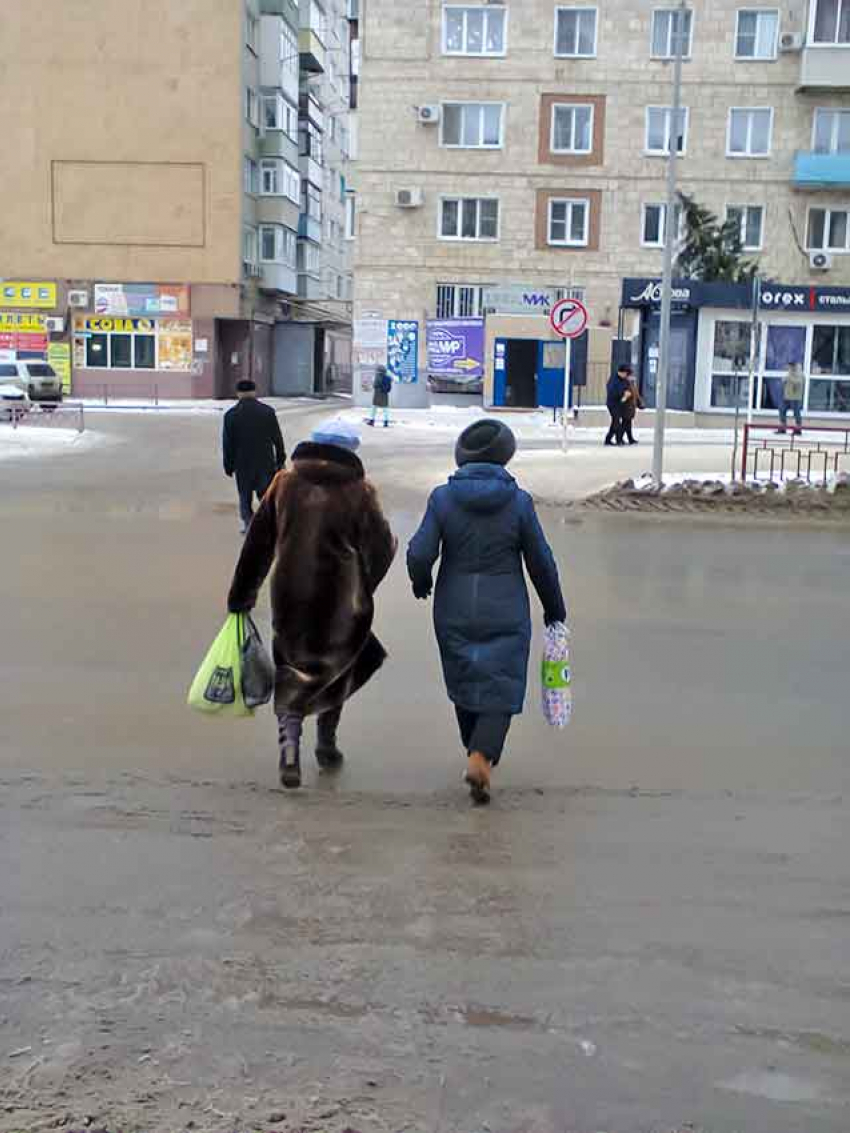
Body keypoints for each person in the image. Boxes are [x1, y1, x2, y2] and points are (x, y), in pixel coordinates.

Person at [227, 419, 396, 789]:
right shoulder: (360, 492)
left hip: (290, 591)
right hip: (342, 596)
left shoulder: (283, 484)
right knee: (337, 663)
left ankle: (289, 748)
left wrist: (241, 595)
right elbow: (382, 547)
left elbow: (257, 543)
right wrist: (365, 584)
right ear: (349, 452)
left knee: (292, 664)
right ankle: (326, 742)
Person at [407, 420, 566, 805]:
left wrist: (420, 581)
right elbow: (541, 561)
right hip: (506, 607)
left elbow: (419, 552)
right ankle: (482, 756)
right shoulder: (519, 502)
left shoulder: (442, 499)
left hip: (453, 607)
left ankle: (474, 752)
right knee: (500, 685)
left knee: (465, 679)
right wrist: (554, 607)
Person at [223, 379, 286, 534]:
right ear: (254, 392)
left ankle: (248, 523)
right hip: (265, 462)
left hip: (242, 464)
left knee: (244, 496)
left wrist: (228, 465)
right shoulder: (268, 412)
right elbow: (277, 438)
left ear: (238, 393)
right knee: (266, 495)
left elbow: (228, 443)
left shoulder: (231, 415)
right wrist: (280, 460)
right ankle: (269, 525)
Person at [605, 365, 632, 446]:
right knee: (616, 421)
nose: (626, 375)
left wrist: (627, 393)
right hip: (612, 404)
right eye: (625, 373)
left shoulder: (624, 380)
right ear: (621, 372)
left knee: (614, 422)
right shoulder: (613, 380)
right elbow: (612, 391)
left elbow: (627, 387)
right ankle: (619, 440)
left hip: (621, 404)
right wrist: (622, 394)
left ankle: (608, 439)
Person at [777, 363, 804, 436]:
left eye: (790, 366)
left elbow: (797, 382)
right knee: (782, 410)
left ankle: (798, 429)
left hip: (795, 397)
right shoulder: (789, 373)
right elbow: (785, 382)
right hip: (786, 396)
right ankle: (782, 428)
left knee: (796, 413)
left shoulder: (799, 373)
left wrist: (789, 378)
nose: (788, 367)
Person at [621, 366, 644, 446]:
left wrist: (640, 403)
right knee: (625, 424)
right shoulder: (625, 384)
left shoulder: (632, 384)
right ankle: (622, 438)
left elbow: (636, 394)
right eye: (630, 375)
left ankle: (629, 438)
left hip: (631, 407)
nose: (632, 377)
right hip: (626, 407)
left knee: (627, 424)